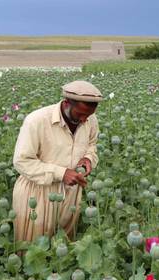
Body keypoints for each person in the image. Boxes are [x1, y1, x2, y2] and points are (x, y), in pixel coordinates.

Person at [12, 80, 102, 242]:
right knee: (35, 249)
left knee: (63, 250)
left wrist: (87, 159)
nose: (84, 120)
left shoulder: (90, 120)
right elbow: (22, 161)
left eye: (87, 116)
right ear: (66, 103)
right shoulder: (37, 121)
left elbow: (91, 145)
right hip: (37, 193)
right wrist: (61, 173)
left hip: (71, 194)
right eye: (80, 114)